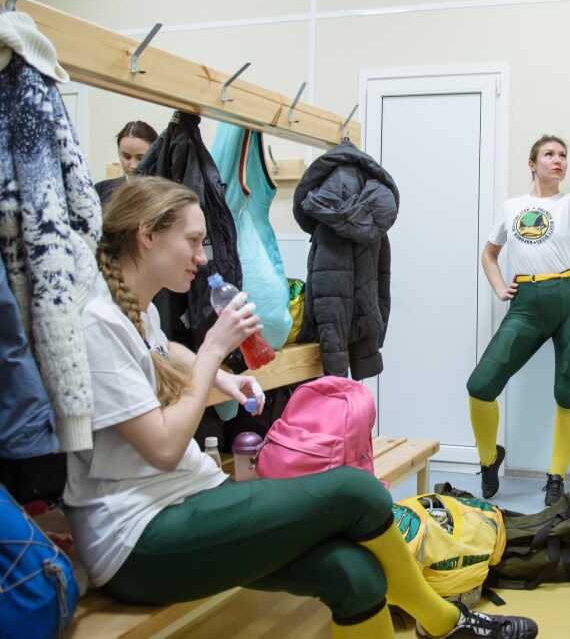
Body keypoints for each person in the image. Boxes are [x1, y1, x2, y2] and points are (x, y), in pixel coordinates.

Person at [65, 176, 537, 639]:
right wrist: (213, 351)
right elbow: (165, 448)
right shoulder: (97, 324)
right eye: (192, 241)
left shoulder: (136, 309)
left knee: (353, 574)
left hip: (187, 497)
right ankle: (444, 622)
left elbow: (163, 349)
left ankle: (443, 623)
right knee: (356, 490)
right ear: (147, 235)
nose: (203, 256)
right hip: (139, 538)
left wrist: (224, 378)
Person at [467, 95, 570, 506]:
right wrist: (499, 287)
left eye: (563, 156)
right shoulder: (512, 208)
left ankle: (556, 477)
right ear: (532, 164)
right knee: (481, 385)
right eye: (550, 154)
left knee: (567, 392)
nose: (558, 160)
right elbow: (489, 254)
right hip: (527, 302)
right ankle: (488, 459)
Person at [94, 120, 157, 205]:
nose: (133, 165)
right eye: (127, 157)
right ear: (118, 152)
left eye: (140, 158)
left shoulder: (166, 195)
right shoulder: (100, 190)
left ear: (154, 155)